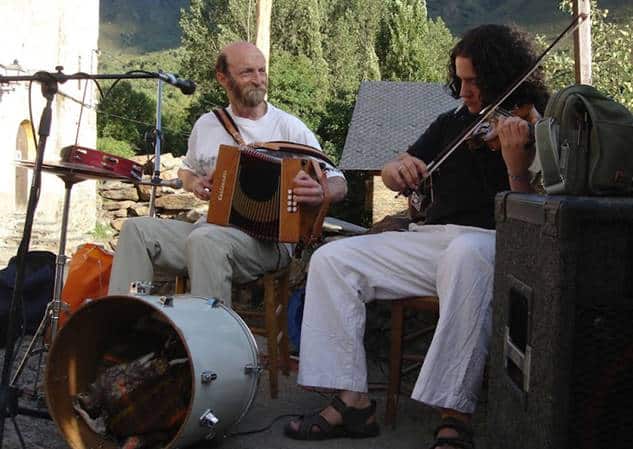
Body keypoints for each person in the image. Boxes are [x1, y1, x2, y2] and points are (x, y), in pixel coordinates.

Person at [284, 25, 549, 448]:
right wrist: (396, 169)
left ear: (504, 74)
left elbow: (536, 216)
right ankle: (352, 402)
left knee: (465, 253)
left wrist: (517, 167)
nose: (464, 92)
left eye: (474, 82)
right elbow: (399, 170)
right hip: (433, 240)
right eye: (460, 81)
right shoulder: (451, 124)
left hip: (495, 245)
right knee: (333, 259)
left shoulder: (540, 126)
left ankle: (454, 414)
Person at [108, 42, 347, 305]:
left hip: (269, 244)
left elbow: (339, 181)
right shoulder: (208, 124)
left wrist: (321, 191)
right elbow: (187, 170)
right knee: (135, 230)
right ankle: (125, 324)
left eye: (262, 71)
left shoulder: (289, 127)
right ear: (223, 78)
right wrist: (194, 183)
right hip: (209, 230)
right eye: (247, 72)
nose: (258, 80)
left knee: (204, 240)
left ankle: (211, 342)